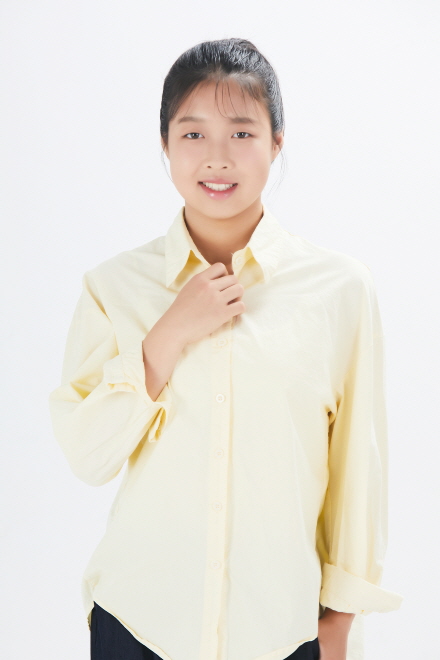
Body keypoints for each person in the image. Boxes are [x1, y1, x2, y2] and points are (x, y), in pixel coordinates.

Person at [48, 38, 403, 660]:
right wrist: (169, 333)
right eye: (193, 134)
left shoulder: (340, 289)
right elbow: (87, 455)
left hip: (283, 632)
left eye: (242, 133)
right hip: (138, 624)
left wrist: (340, 622)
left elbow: (357, 470)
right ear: (165, 144)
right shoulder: (114, 287)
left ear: (277, 142)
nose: (217, 157)